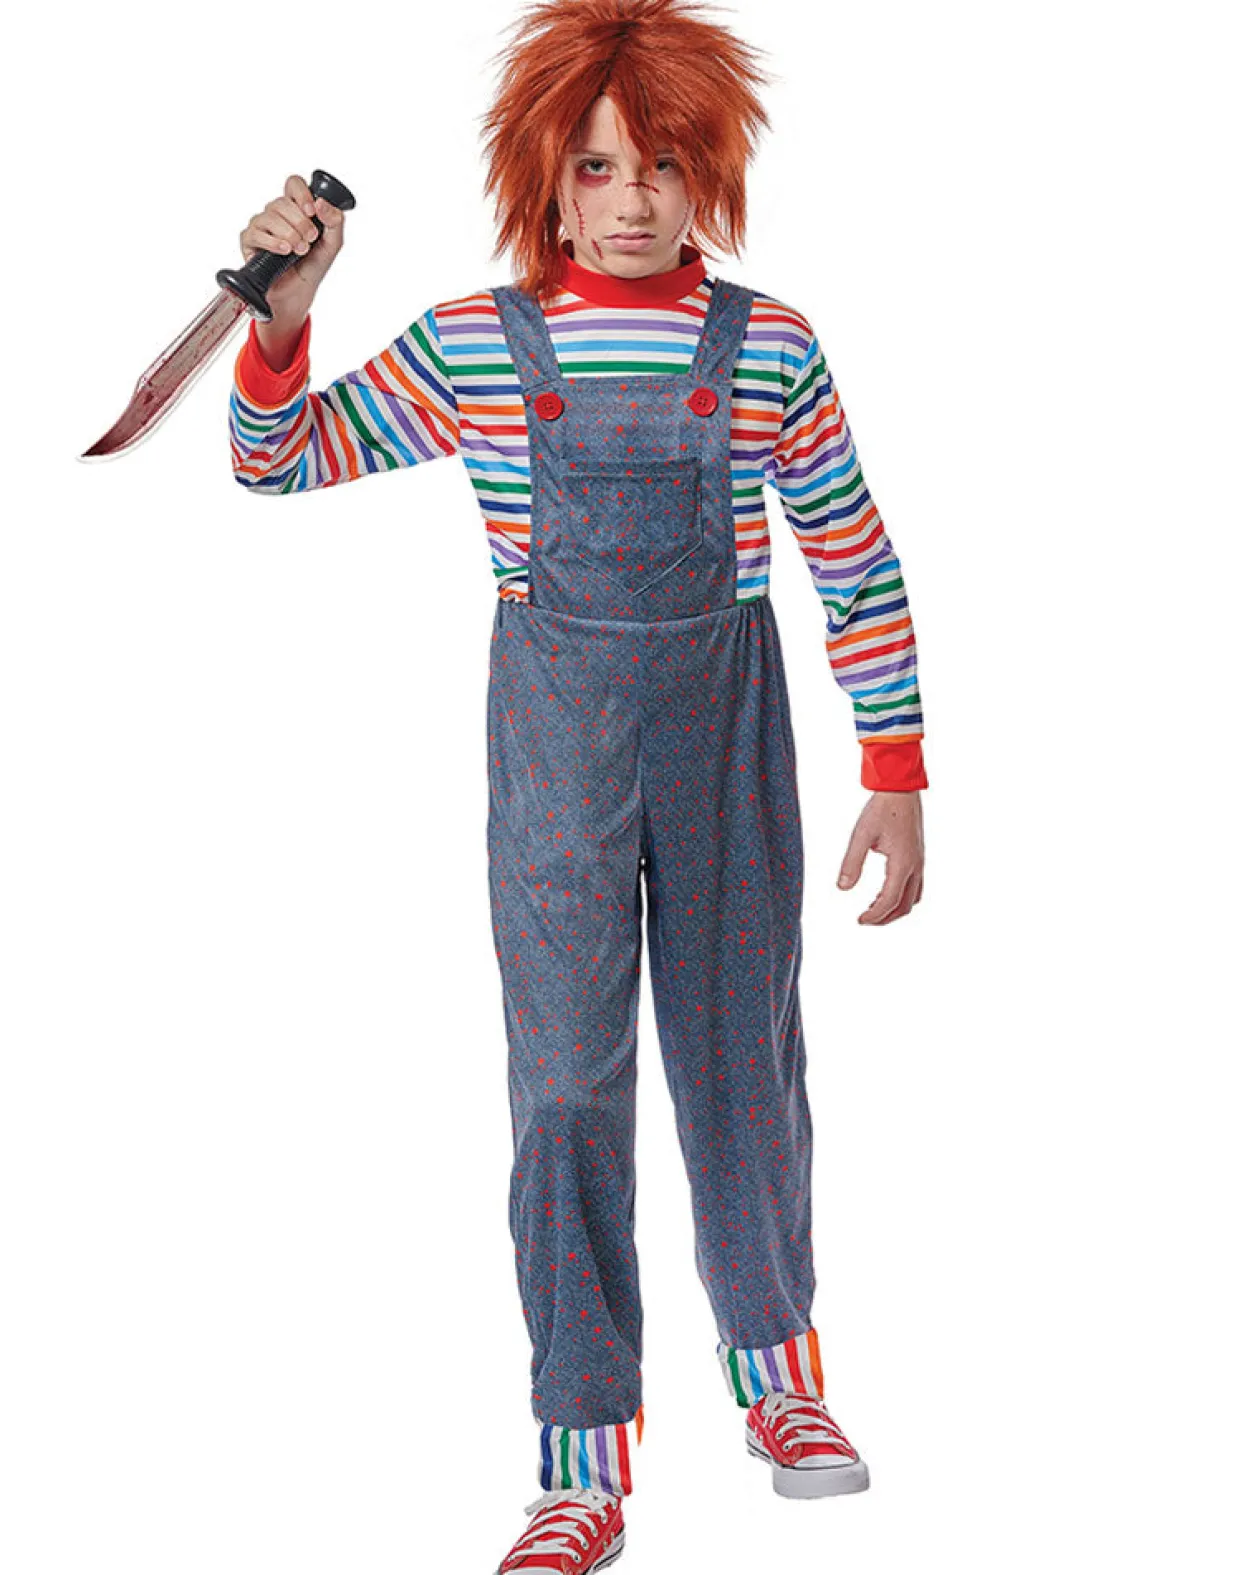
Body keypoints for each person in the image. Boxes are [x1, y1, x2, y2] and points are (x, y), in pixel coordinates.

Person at [228, 1, 927, 1566]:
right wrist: (284, 320)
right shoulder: (478, 343)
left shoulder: (771, 344)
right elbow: (279, 458)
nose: (631, 199)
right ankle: (581, 1457)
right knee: (561, 1088)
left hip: (724, 732)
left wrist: (894, 763)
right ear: (544, 179)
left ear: (709, 175)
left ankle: (782, 1379)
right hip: (555, 740)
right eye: (598, 166)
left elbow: (852, 550)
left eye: (665, 165)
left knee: (741, 1060)